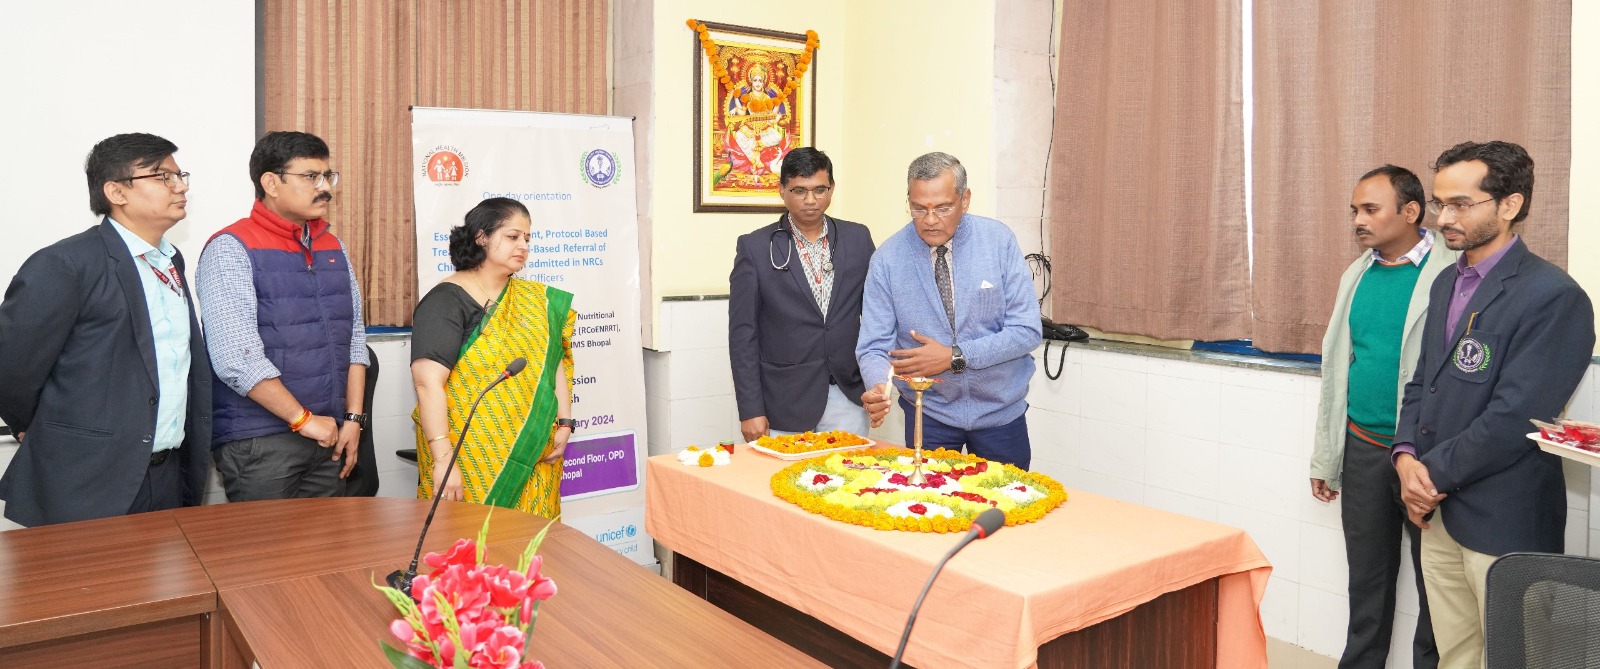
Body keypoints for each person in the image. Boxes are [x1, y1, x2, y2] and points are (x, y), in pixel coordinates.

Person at [1392, 141, 1594, 669]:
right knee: (1455, 654)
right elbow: (1421, 382)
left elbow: (1514, 417)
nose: (1443, 219)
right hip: (1438, 513)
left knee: (1512, 658)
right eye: (1439, 203)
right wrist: (1405, 455)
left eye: (1461, 204)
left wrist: (1428, 477)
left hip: (1504, 516)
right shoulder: (1445, 282)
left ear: (1509, 205)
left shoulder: (1554, 296)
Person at [0, 133, 212, 526]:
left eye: (180, 175)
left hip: (167, 474)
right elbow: (12, 368)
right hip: (87, 480)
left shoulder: (170, 261)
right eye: (163, 177)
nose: (181, 186)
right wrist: (32, 424)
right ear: (116, 192)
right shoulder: (65, 264)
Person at [1310, 165, 1452, 669]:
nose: (1358, 220)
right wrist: (1327, 456)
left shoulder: (1454, 271)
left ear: (1411, 212)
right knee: (1367, 580)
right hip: (1365, 447)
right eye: (1354, 210)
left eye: (1370, 209)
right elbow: (1337, 371)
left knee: (1438, 585)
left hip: (1428, 455)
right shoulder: (1358, 274)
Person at [197, 131, 369, 501]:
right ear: (271, 183)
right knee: (267, 541)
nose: (325, 188)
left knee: (329, 540)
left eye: (327, 176)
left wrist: (353, 420)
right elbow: (236, 359)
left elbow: (354, 338)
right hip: (262, 440)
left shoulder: (333, 246)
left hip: (330, 435)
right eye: (311, 177)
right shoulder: (230, 247)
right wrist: (302, 420)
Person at [857, 152, 1042, 469]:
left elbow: (1026, 331)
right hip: (928, 415)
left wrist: (954, 356)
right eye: (919, 208)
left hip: (1001, 416)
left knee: (1006, 500)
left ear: (964, 200)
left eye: (942, 208)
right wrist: (878, 385)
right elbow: (874, 346)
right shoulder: (887, 259)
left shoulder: (998, 242)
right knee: (930, 499)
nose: (930, 220)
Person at [411, 197, 576, 516]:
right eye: (512, 236)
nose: (523, 246)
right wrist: (444, 459)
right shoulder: (445, 301)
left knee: (531, 543)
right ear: (481, 237)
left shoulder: (534, 300)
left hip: (533, 455)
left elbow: (551, 360)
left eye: (527, 238)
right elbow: (427, 385)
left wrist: (565, 422)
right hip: (466, 457)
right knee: (471, 540)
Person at [729, 148, 875, 442]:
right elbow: (743, 335)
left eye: (820, 190)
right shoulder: (755, 248)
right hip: (785, 402)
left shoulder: (857, 238)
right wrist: (750, 409)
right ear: (782, 190)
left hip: (847, 395)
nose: (811, 200)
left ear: (831, 189)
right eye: (799, 190)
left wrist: (877, 382)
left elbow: (876, 316)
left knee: (848, 472)